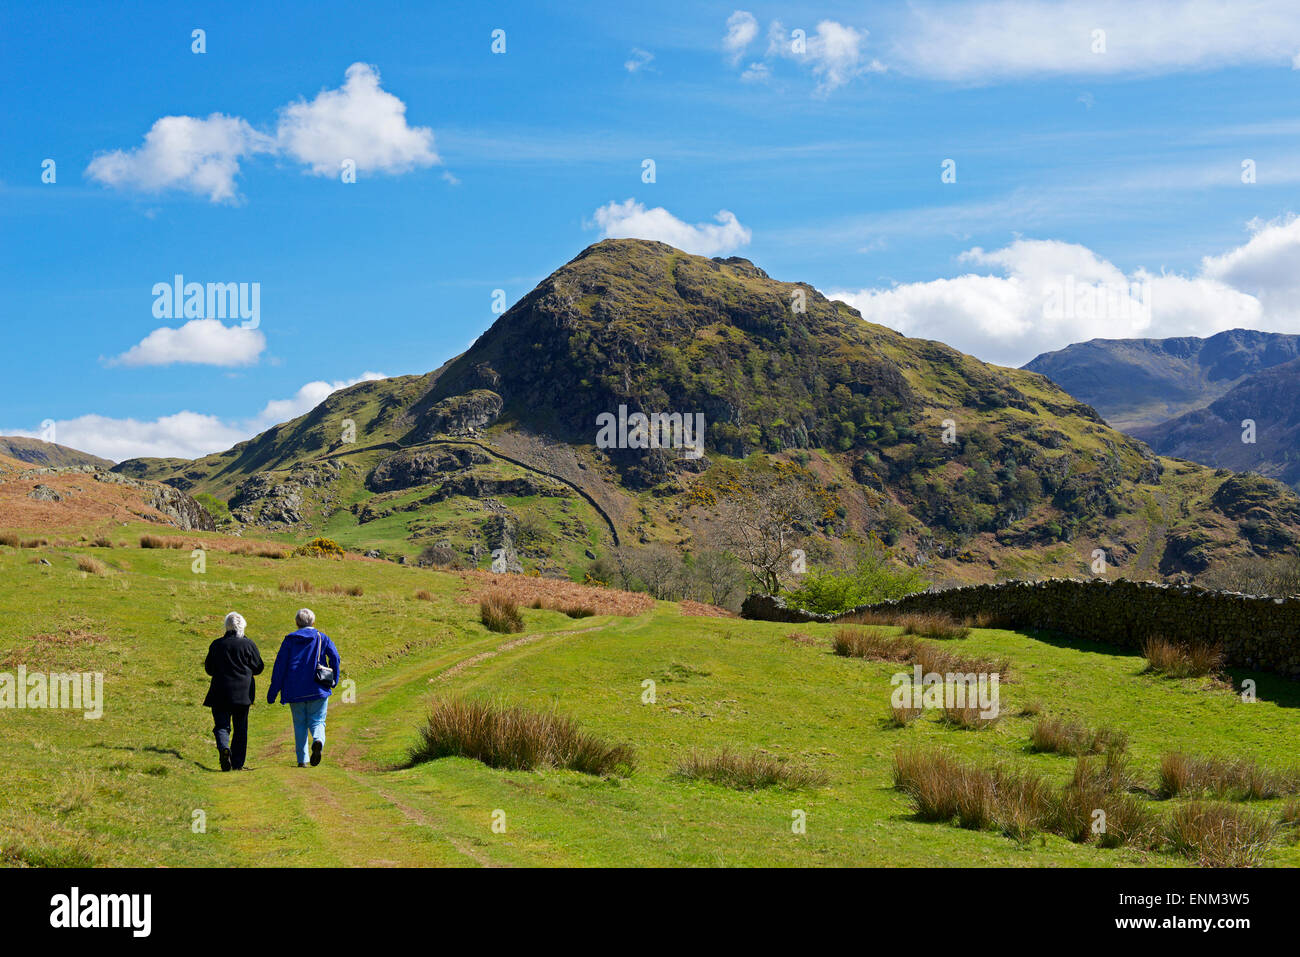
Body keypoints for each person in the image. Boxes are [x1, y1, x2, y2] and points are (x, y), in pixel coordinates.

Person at [266, 608, 342, 767]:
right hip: (318, 687)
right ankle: (318, 740)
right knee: (318, 720)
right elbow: (335, 657)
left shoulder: (289, 640)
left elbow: (280, 666)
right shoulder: (322, 637)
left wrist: (273, 692)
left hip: (295, 689)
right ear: (313, 622)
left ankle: (302, 760)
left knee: (299, 724)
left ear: (296, 622)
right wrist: (334, 679)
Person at [203, 612, 264, 772]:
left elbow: (209, 669)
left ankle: (224, 748)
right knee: (240, 728)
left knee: (222, 726)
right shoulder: (248, 644)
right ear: (242, 626)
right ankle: (237, 763)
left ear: (226, 626)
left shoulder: (216, 644)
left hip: (220, 692)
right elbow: (259, 667)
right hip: (243, 694)